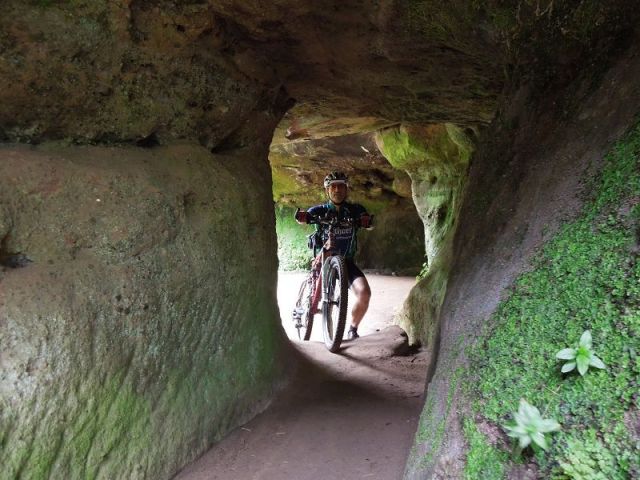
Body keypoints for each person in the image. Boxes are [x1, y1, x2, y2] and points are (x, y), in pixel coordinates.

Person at [294, 171, 373, 340]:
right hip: (323, 261)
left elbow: (367, 221)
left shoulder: (355, 210)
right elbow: (305, 217)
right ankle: (312, 311)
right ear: (327, 190)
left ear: (346, 189)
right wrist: (303, 217)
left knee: (364, 293)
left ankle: (352, 329)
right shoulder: (319, 210)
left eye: (341, 186)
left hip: (346, 262)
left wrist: (366, 221)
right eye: (333, 187)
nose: (337, 190)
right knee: (321, 296)